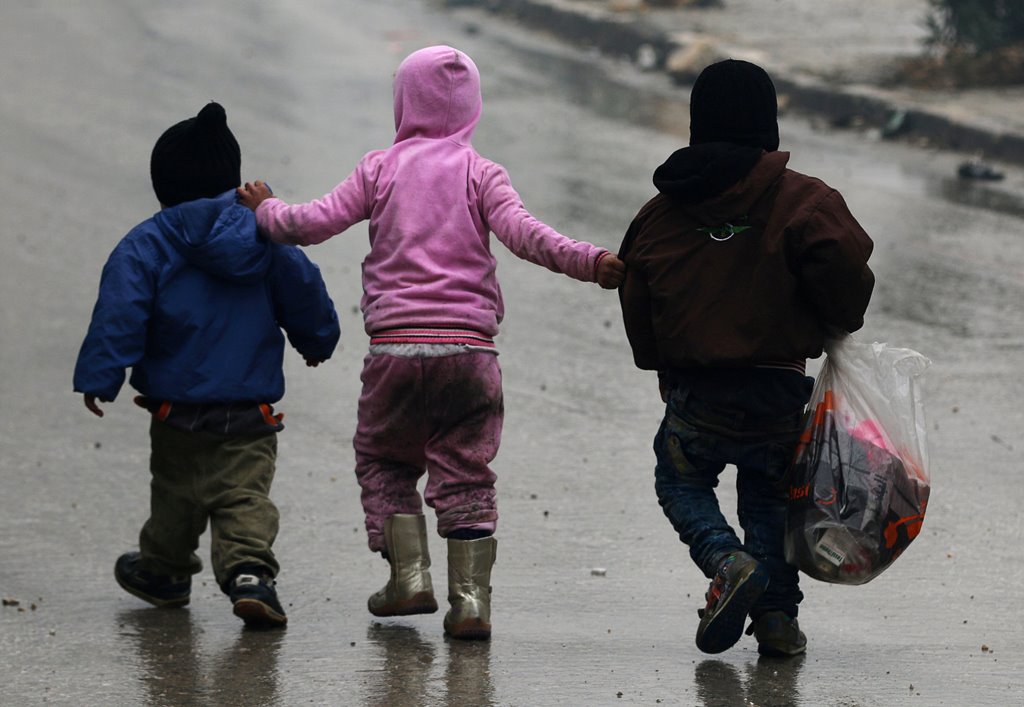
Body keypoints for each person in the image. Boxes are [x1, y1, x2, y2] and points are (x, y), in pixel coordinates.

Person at [236, 45, 625, 640]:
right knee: (465, 471)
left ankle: (409, 577)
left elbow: (309, 223)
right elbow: (526, 236)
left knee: (385, 459)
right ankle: (470, 601)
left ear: (404, 103)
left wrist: (266, 210)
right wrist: (592, 261)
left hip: (394, 353)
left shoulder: (379, 168)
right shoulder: (482, 172)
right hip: (470, 356)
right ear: (471, 108)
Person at [617, 59, 874, 657]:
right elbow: (846, 278)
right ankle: (778, 620)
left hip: (696, 394)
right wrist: (829, 322)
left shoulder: (660, 213)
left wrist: (659, 362)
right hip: (780, 392)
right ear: (769, 123)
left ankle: (723, 559)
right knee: (769, 501)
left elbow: (636, 290)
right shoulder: (806, 201)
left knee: (679, 478)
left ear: (696, 123)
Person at [73, 102, 341, 629]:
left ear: (163, 185)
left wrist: (101, 377)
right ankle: (248, 574)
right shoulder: (267, 237)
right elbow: (303, 289)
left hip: (176, 408)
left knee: (175, 493)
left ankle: (164, 571)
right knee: (243, 494)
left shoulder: (146, 244)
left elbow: (120, 311)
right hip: (249, 410)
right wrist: (318, 340)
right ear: (232, 177)